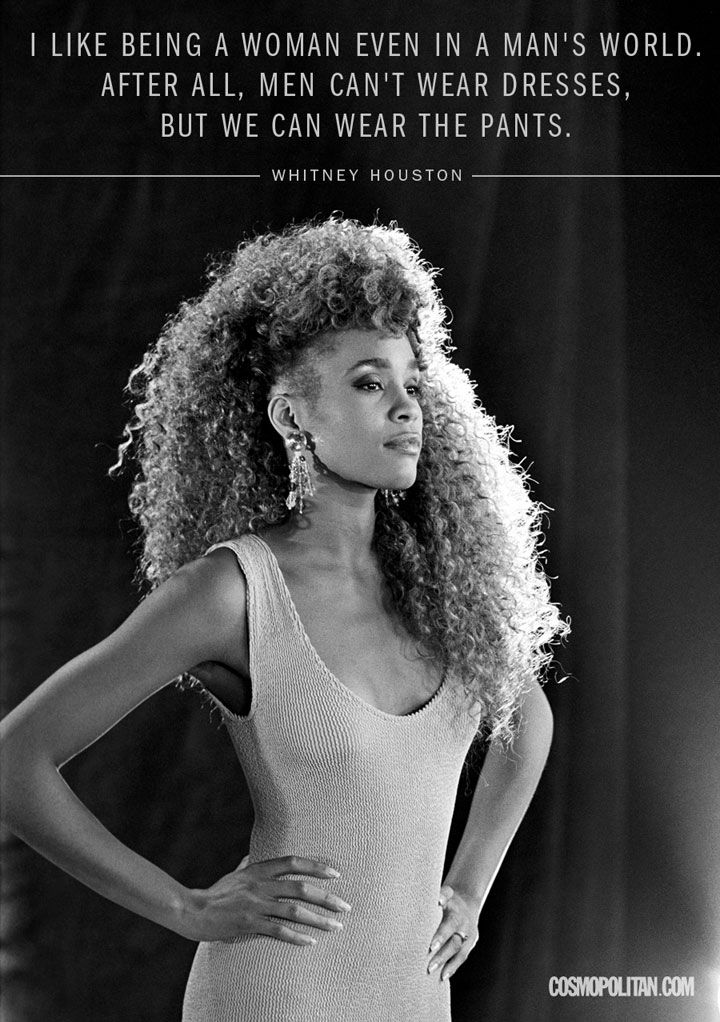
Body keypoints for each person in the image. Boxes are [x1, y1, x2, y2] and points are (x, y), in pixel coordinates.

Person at [0, 215, 567, 1021]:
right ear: (291, 417)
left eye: (413, 383)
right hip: (276, 993)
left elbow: (526, 719)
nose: (407, 408)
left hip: (414, 999)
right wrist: (186, 908)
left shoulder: (440, 593)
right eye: (370, 383)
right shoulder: (231, 592)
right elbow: (16, 760)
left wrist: (469, 885)